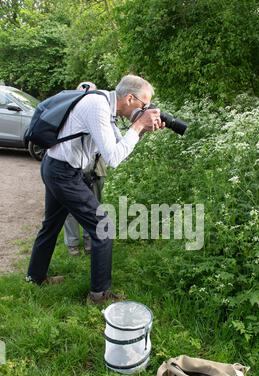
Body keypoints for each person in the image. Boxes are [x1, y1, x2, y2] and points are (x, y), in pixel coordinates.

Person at [26, 74, 164, 304]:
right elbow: (114, 159)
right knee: (104, 227)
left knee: (50, 225)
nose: (146, 108)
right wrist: (139, 125)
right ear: (130, 98)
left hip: (59, 168)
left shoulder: (106, 107)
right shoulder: (97, 106)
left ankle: (35, 277)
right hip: (61, 172)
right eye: (144, 104)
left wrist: (139, 129)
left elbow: (119, 147)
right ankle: (99, 295)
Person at [64, 81, 107, 256]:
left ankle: (91, 245)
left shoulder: (101, 112)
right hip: (72, 166)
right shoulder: (69, 111)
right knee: (69, 207)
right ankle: (72, 245)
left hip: (95, 168)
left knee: (94, 207)